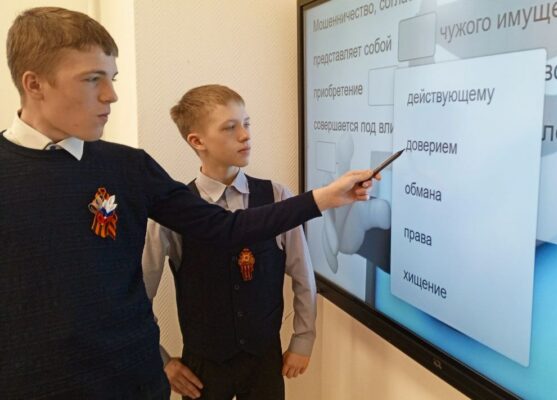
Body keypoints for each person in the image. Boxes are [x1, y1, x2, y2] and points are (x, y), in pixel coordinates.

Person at [0, 7, 375, 399]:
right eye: (93, 79)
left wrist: (325, 197)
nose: (111, 94)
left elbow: (225, 227)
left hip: (135, 387)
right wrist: (167, 359)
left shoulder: (129, 167)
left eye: (112, 78)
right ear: (35, 84)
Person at [143, 85, 317, 399]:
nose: (245, 135)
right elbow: (139, 293)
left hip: (264, 359)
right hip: (203, 367)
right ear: (197, 141)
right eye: (230, 127)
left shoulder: (277, 196)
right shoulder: (173, 210)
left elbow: (303, 275)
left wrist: (303, 338)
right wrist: (160, 359)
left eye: (246, 123)